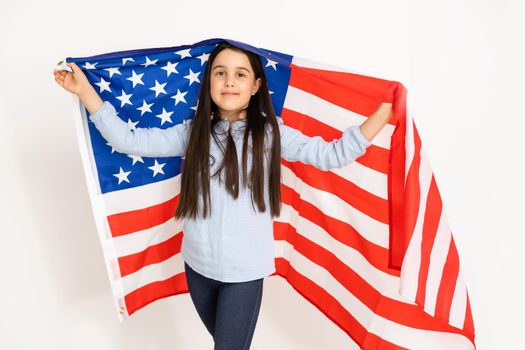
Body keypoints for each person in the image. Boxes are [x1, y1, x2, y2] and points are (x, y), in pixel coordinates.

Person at [54, 42, 393, 350]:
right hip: (198, 269)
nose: (230, 81)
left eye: (240, 74)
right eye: (221, 73)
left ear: (256, 86)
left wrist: (380, 116)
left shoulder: (271, 131)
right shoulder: (193, 132)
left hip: (243, 276)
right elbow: (131, 140)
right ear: (210, 82)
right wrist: (85, 93)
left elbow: (330, 154)